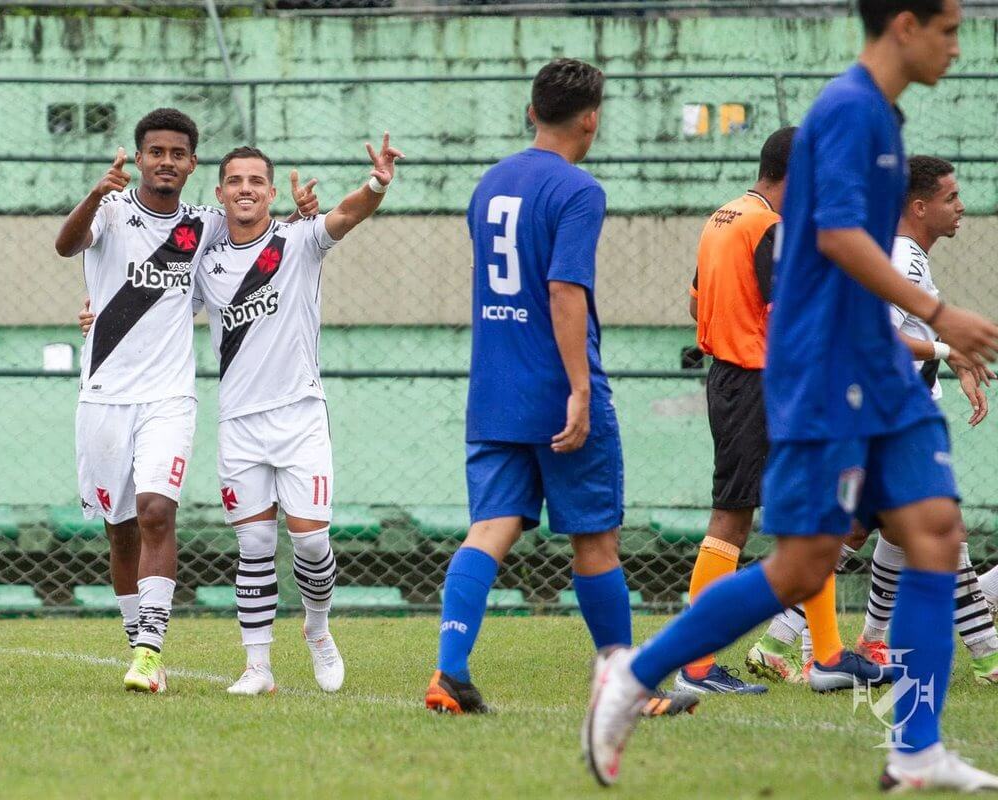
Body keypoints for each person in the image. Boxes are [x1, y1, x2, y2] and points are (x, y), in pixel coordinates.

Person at [584, 1, 998, 791]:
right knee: (803, 565)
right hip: (824, 373)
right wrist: (942, 318)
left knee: (936, 531)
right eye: (947, 28)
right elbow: (839, 240)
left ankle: (915, 747)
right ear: (904, 25)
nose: (957, 44)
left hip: (872, 368)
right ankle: (636, 677)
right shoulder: (847, 111)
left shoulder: (881, 117)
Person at [424, 58, 695, 718]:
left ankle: (449, 673)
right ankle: (625, 688)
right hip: (557, 389)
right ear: (592, 119)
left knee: (488, 528)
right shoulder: (578, 190)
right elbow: (563, 290)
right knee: (595, 540)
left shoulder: (489, 184)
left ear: (531, 111)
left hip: (494, 387)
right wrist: (578, 388)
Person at [59, 108, 317, 694]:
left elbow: (259, 233)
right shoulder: (112, 211)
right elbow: (65, 244)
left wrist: (305, 215)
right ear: (140, 157)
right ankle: (138, 645)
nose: (166, 162)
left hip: (169, 397)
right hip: (103, 394)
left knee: (157, 511)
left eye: (178, 154)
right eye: (156, 152)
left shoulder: (203, 225)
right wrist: (93, 196)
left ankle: (150, 651)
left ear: (193, 164)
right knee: (120, 529)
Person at [750, 155, 998, 685]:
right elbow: (875, 337)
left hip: (886, 414)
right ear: (920, 205)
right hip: (884, 420)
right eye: (951, 198)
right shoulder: (902, 258)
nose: (961, 208)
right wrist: (946, 348)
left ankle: (806, 641)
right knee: (938, 531)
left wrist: (949, 356)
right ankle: (988, 657)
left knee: (859, 533)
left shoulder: (905, 256)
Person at [191, 139, 401, 695]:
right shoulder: (204, 265)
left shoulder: (300, 240)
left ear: (269, 188)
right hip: (239, 424)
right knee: (255, 546)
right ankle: (257, 668)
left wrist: (377, 182)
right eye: (235, 181)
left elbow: (349, 212)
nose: (245, 189)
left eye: (256, 181)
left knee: (309, 543)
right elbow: (160, 307)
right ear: (219, 193)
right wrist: (96, 311)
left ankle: (318, 629)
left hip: (300, 417)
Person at [679, 125, 871, 695]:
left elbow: (694, 297)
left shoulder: (725, 216)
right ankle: (696, 665)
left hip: (738, 377)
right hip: (762, 381)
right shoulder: (771, 226)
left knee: (810, 510)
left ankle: (828, 655)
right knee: (733, 518)